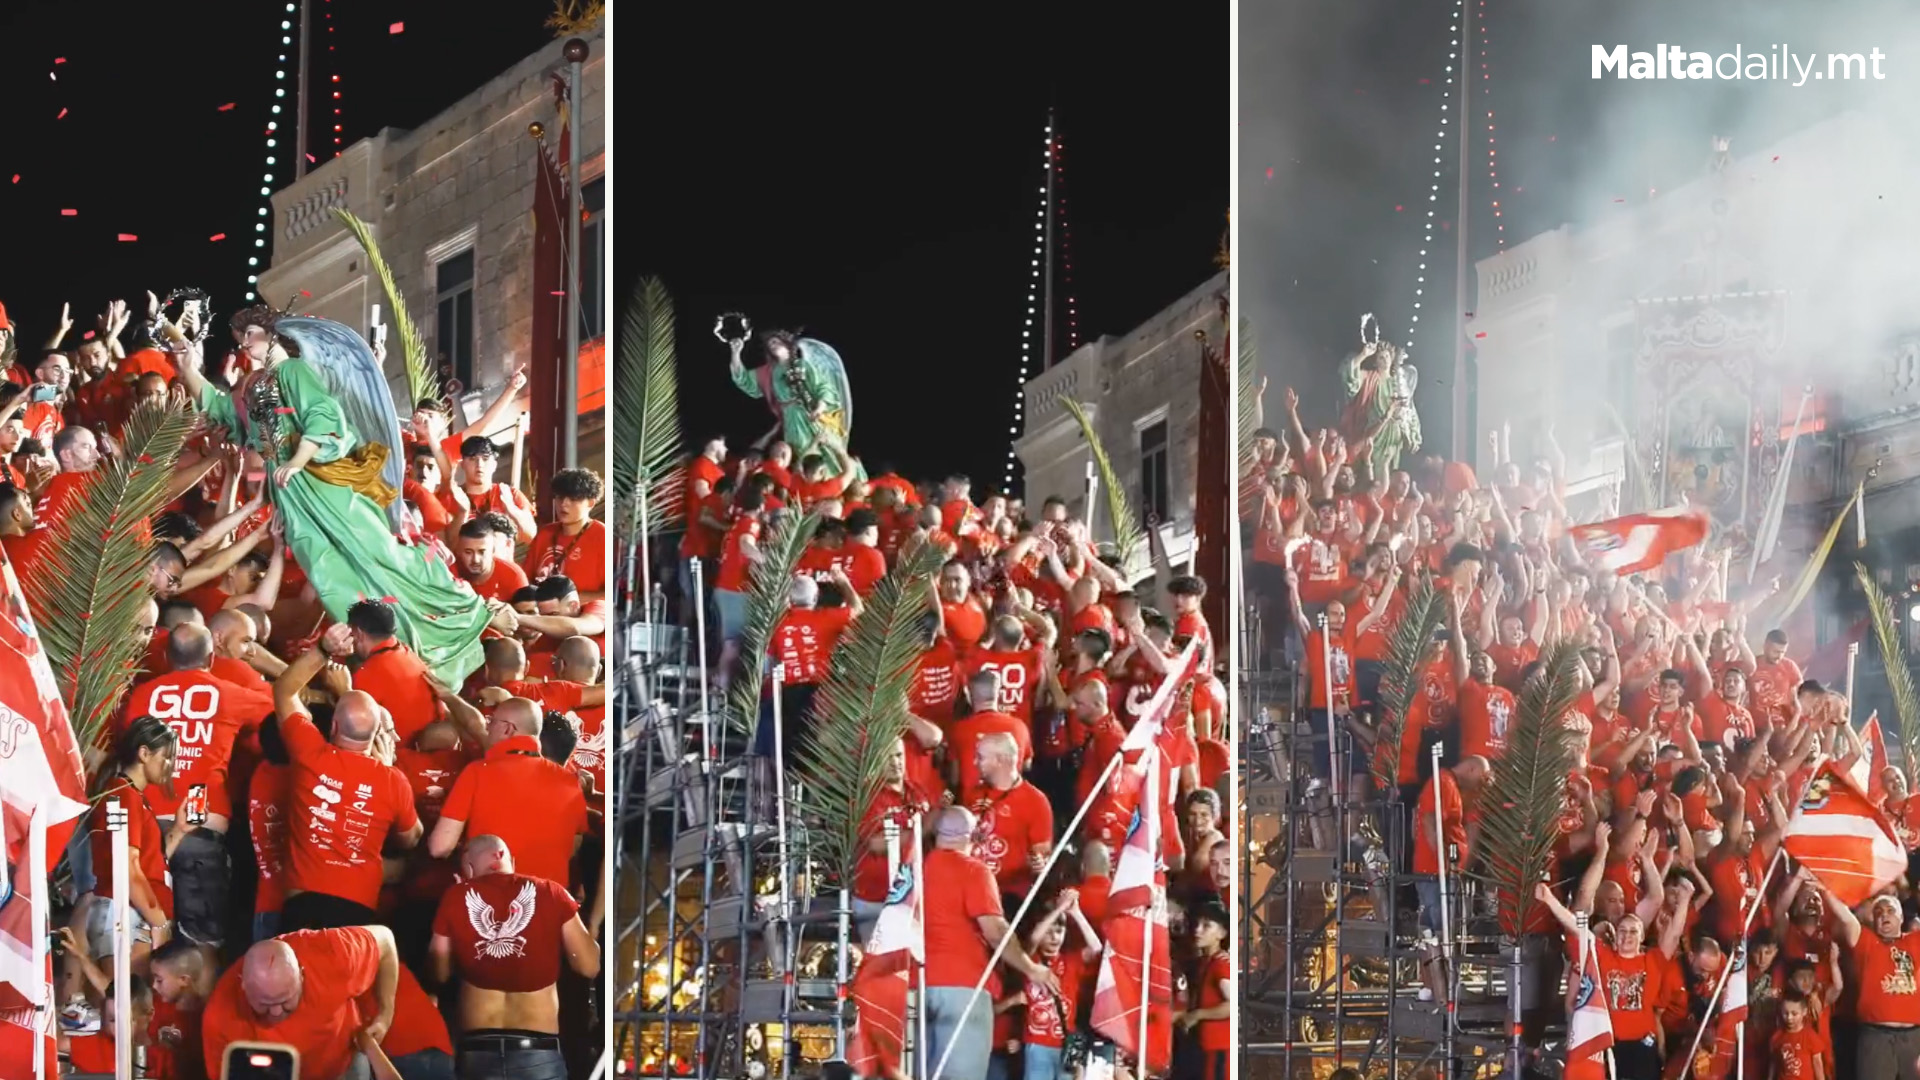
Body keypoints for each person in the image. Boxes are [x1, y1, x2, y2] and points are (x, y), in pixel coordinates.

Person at [170, 306, 498, 686]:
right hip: (292, 498)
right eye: (241, 336)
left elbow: (326, 418)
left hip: (321, 481)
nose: (245, 342)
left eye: (253, 333)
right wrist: (187, 369)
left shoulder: (293, 371)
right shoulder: (254, 383)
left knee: (378, 553)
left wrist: (298, 459)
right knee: (329, 579)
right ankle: (388, 649)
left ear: (275, 334)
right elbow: (224, 411)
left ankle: (451, 619)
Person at [272, 629, 423, 930]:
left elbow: (284, 691)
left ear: (334, 725)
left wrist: (323, 650)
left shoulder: (309, 754)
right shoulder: (393, 780)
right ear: (377, 734)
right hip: (357, 911)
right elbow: (412, 837)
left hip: (300, 902)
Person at [427, 836, 600, 1079]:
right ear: (510, 860)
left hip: (478, 1051)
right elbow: (589, 966)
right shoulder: (551, 892)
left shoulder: (456, 896)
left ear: (468, 867)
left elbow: (439, 972)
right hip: (538, 1051)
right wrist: (591, 925)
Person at [921, 807, 1057, 1080]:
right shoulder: (973, 870)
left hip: (918, 986)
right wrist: (1032, 969)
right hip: (963, 988)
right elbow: (995, 930)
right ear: (971, 836)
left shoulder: (914, 870)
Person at [200, 924, 402, 1080]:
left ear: (302, 976)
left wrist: (385, 1014)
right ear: (243, 985)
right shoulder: (219, 1017)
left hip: (344, 1063)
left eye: (286, 1000)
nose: (277, 1012)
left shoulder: (331, 955)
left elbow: (385, 939)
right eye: (265, 1004)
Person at [428, 697, 589, 889]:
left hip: (490, 903)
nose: (487, 728)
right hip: (550, 908)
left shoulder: (478, 772)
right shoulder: (571, 781)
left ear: (507, 729)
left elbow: (439, 847)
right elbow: (573, 846)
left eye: (492, 722)